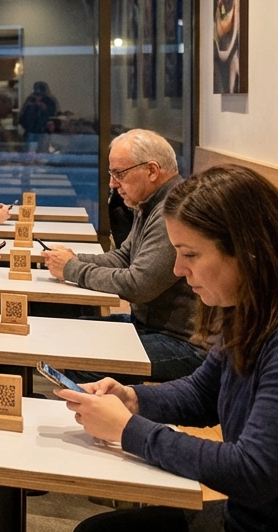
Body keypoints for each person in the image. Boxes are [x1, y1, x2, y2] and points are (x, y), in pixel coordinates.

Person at [62, 164, 278, 532]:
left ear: (246, 248)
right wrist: (131, 398)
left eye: (190, 254)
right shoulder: (248, 310)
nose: (177, 271)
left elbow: (253, 472)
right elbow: (203, 394)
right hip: (248, 523)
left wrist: (130, 430)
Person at [42, 130, 203, 383]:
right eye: (111, 174)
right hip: (149, 326)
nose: (112, 184)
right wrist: (73, 260)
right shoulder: (150, 202)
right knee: (71, 330)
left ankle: (118, 420)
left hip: (184, 343)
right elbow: (124, 256)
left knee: (79, 358)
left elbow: (138, 286)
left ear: (152, 170)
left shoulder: (174, 209)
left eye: (119, 174)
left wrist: (73, 268)